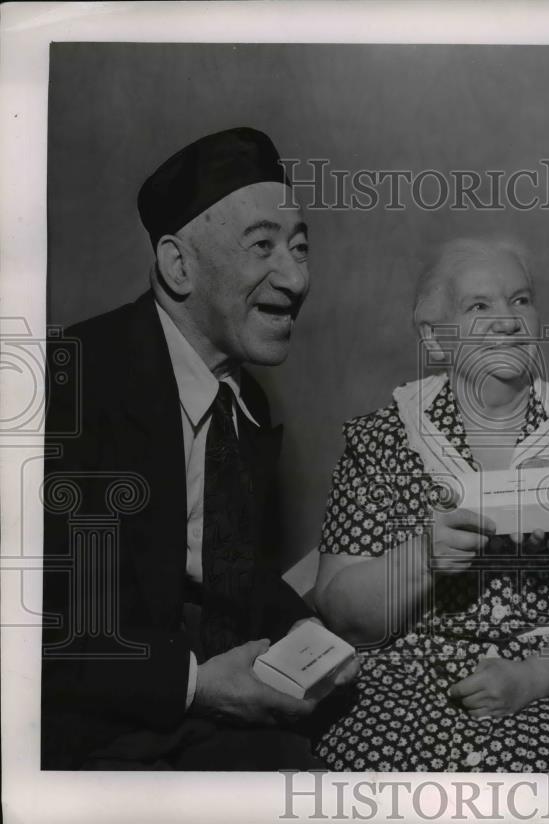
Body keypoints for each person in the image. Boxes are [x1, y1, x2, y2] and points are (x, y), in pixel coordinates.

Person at [42, 127, 357, 770]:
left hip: (203, 727)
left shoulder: (244, 402)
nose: (296, 278)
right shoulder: (71, 381)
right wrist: (197, 687)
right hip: (78, 739)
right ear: (178, 265)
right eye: (263, 245)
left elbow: (217, 565)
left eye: (300, 247)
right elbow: (30, 623)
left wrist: (302, 627)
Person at [311, 237, 549, 772]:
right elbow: (341, 613)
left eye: (521, 300)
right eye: (479, 306)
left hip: (534, 697)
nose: (508, 320)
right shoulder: (380, 442)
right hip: (396, 696)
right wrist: (422, 558)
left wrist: (531, 679)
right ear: (435, 337)